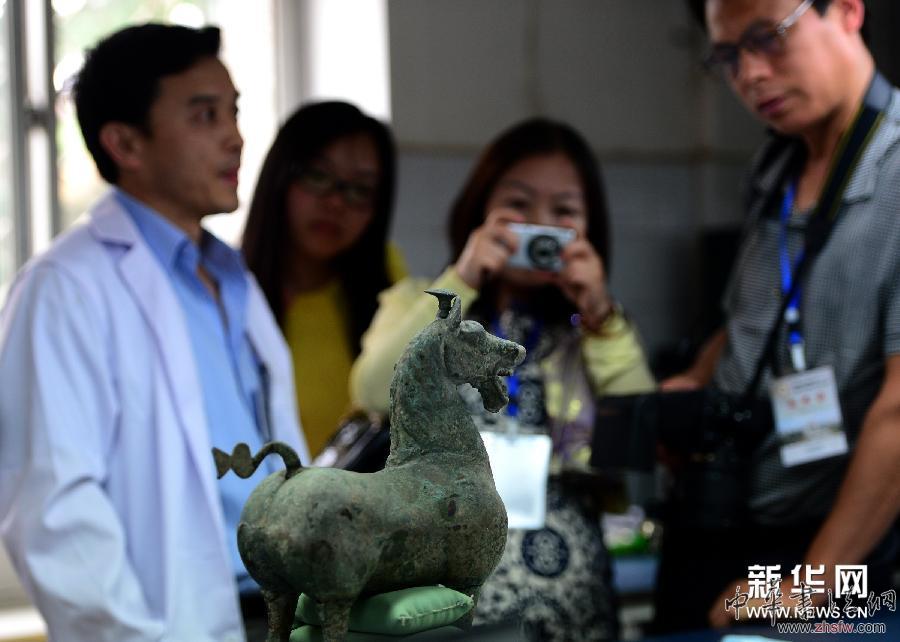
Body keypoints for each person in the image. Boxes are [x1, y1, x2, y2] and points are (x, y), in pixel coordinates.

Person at [0, 24, 308, 642]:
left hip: (286, 608)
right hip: (173, 622)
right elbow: (54, 511)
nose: (235, 137)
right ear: (125, 144)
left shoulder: (232, 278)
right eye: (205, 115)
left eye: (234, 112)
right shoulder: (65, 286)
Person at [350, 118, 655, 641]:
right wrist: (463, 277)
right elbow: (374, 392)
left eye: (563, 211)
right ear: (480, 211)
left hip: (576, 606)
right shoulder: (421, 303)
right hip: (446, 608)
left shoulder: (597, 331)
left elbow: (640, 442)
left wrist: (601, 316)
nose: (539, 225)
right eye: (518, 205)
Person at [656, 0, 900, 631]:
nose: (750, 74)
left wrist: (810, 587)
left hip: (832, 553)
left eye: (768, 38)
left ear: (847, 10)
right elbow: (754, 317)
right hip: (723, 518)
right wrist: (698, 380)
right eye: (728, 55)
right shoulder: (776, 164)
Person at [242, 101, 405, 458]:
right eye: (318, 176)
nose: (335, 202)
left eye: (360, 190)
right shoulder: (224, 287)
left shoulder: (389, 283)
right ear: (280, 176)